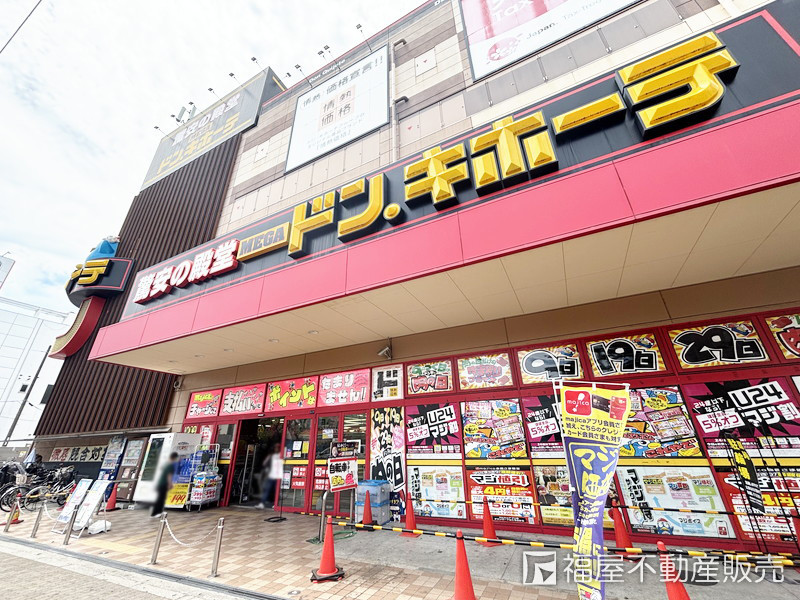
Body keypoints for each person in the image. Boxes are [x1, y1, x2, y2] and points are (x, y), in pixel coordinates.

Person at [151, 452, 179, 517]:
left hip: (160, 482)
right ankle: (156, 513)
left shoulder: (165, 463)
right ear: (175, 458)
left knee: (159, 498)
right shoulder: (170, 465)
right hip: (164, 483)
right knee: (161, 498)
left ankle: (156, 512)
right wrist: (170, 484)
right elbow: (169, 476)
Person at [256, 443, 283, 509]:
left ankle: (275, 504)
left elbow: (264, 463)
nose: (276, 449)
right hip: (272, 475)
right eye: (276, 447)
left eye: (277, 447)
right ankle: (263, 503)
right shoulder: (274, 455)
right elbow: (264, 463)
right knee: (268, 489)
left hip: (277, 475)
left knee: (275, 490)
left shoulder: (278, 455)